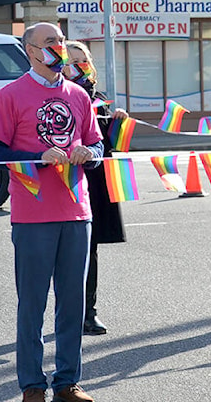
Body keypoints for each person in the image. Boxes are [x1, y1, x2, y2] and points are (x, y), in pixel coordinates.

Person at [0, 23, 104, 402]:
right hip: (32, 214)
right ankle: (32, 384)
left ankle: (68, 381)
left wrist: (90, 154)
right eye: (50, 42)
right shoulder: (11, 94)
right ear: (31, 51)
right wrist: (36, 157)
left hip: (76, 211)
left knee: (73, 303)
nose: (58, 47)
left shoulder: (79, 95)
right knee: (32, 303)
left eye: (61, 41)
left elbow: (99, 147)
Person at [62, 41, 128, 336]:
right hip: (63, 181)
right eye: (71, 61)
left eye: (83, 61)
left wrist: (119, 124)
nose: (78, 67)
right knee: (63, 252)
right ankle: (65, 311)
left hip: (96, 183)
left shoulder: (99, 100)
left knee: (90, 250)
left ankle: (89, 312)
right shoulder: (56, 96)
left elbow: (112, 147)